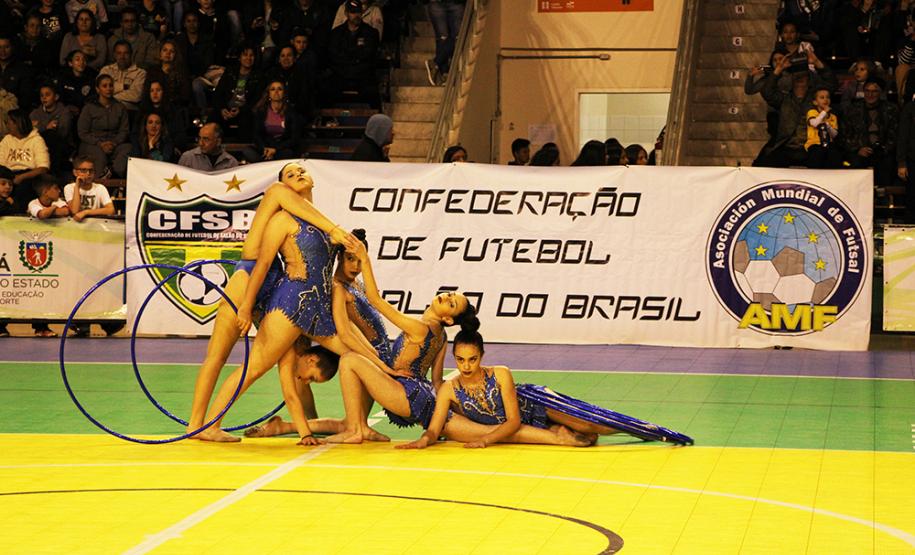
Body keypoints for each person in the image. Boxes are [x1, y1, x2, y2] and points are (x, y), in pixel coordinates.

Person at [186, 162, 358, 441]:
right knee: (219, 357)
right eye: (290, 174)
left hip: (280, 291)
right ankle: (198, 424)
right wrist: (244, 306)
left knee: (295, 357)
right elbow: (263, 260)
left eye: (301, 171)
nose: (298, 175)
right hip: (249, 279)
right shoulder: (279, 199)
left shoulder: (312, 220)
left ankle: (309, 422)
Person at [399, 330, 694, 449]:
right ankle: (565, 433)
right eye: (460, 360)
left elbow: (513, 421)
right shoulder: (450, 390)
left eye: (472, 359)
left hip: (534, 404)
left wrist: (485, 440)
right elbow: (435, 428)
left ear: (482, 356)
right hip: (524, 426)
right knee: (583, 439)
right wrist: (422, 441)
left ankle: (650, 431)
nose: (466, 366)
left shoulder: (501, 374)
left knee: (589, 422)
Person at [322, 237, 478, 444]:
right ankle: (359, 426)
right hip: (419, 396)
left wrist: (365, 259)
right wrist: (446, 413)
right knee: (363, 361)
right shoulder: (442, 337)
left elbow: (375, 300)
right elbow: (437, 382)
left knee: (350, 360)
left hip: (405, 394)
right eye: (450, 295)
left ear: (448, 319)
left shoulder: (420, 328)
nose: (446, 298)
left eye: (451, 304)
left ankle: (355, 430)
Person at [77, 73, 131, 177]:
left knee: (128, 148)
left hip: (114, 144)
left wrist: (114, 143)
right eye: (104, 86)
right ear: (98, 89)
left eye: (111, 85)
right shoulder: (89, 108)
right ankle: (100, 181)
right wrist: (100, 143)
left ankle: (114, 175)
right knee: (99, 156)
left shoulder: (120, 107)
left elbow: (124, 130)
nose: (109, 88)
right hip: (93, 144)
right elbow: (82, 132)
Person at [210, 44, 263, 139]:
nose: (248, 58)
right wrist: (222, 109)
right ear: (240, 57)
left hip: (245, 111)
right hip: (227, 109)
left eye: (251, 55)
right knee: (213, 119)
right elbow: (218, 94)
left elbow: (256, 100)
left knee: (247, 121)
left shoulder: (259, 75)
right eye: (245, 55)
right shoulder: (230, 72)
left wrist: (241, 110)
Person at [0, 108, 50, 208]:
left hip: (29, 175)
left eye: (9, 122)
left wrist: (21, 177)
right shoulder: (7, 140)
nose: (7, 125)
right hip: (9, 174)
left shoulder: (36, 140)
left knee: (23, 188)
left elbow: (43, 168)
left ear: (17, 123)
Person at [248, 80, 303, 162]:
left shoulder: (291, 112)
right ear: (268, 93)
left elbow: (294, 139)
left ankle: (267, 161)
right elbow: (257, 135)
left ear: (284, 93)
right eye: (273, 89)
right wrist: (264, 148)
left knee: (288, 153)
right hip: (266, 147)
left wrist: (275, 149)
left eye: (279, 89)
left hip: (283, 148)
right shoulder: (261, 111)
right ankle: (267, 158)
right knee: (248, 151)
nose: (276, 92)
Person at [30, 83, 74, 175]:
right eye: (42, 95)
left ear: (56, 97)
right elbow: (29, 131)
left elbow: (63, 132)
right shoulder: (35, 113)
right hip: (39, 145)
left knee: (51, 136)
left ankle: (53, 175)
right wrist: (46, 127)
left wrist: (39, 126)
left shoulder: (64, 111)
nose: (44, 98)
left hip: (61, 145)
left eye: (47, 94)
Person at [138, 78, 189, 151]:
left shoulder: (173, 110)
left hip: (167, 147)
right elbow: (136, 133)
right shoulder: (143, 110)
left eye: (158, 90)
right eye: (151, 91)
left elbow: (180, 134)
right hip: (144, 146)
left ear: (163, 92)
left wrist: (172, 146)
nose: (155, 93)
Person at [424, 0, 465, 86]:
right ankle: (444, 74)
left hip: (456, 3)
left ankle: (435, 63)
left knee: (458, 38)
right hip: (436, 3)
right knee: (443, 38)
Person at [63, 155, 114, 222]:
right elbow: (74, 211)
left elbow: (111, 210)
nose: (88, 173)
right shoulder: (69, 188)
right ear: (75, 172)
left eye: (91, 170)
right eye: (83, 170)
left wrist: (86, 212)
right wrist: (77, 187)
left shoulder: (100, 188)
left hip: (95, 224)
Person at [99, 40, 147, 111]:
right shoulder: (106, 70)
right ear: (114, 55)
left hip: (129, 111)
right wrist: (124, 86)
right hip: (105, 111)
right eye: (119, 53)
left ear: (131, 54)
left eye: (126, 53)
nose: (122, 57)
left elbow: (136, 95)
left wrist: (109, 97)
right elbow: (99, 90)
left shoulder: (140, 73)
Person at [805, 86, 842, 168]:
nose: (826, 100)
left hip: (829, 144)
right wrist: (824, 112)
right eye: (822, 97)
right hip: (814, 144)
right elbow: (815, 123)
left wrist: (828, 126)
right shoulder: (812, 112)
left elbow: (834, 134)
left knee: (835, 156)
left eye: (828, 97)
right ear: (815, 102)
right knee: (817, 154)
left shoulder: (833, 116)